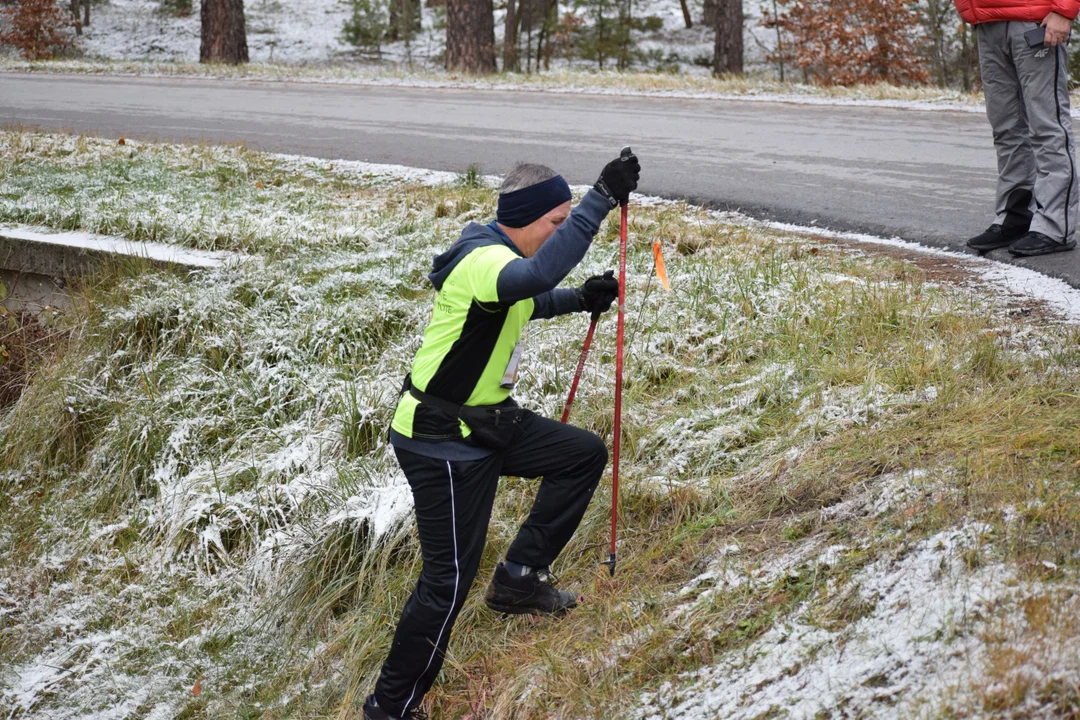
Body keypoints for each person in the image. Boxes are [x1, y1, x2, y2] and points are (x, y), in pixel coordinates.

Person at [362, 150, 642, 720]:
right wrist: (600, 203)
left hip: (485, 424)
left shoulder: (498, 254)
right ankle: (390, 707)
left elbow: (530, 297)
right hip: (439, 441)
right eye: (558, 225)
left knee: (580, 454)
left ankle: (517, 579)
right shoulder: (485, 262)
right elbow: (536, 276)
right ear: (530, 218)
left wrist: (578, 299)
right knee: (448, 583)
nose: (562, 235)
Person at [961, 0, 1079, 256]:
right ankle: (1015, 216)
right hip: (987, 22)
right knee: (1006, 130)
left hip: (1036, 20)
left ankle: (1055, 226)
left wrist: (1063, 11)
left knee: (1047, 128)